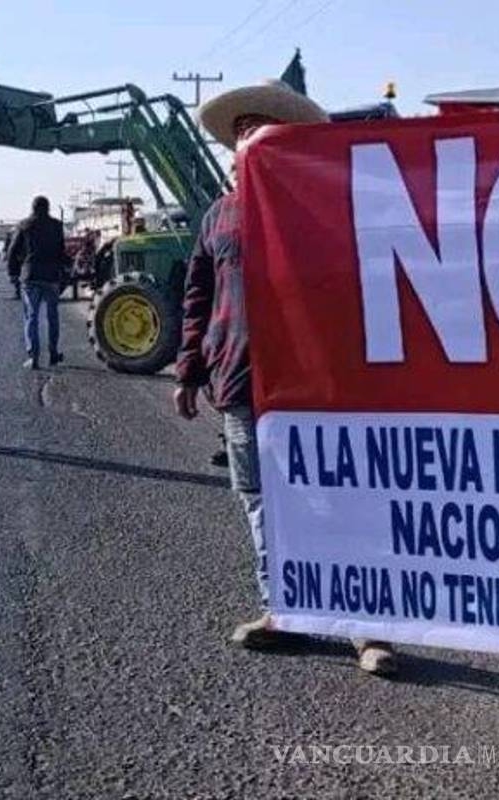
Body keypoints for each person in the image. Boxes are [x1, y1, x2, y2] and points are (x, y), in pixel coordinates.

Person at [176, 80, 397, 676]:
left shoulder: (325, 206)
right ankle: (286, 611)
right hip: (242, 381)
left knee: (339, 499)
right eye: (240, 133)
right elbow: (199, 294)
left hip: (318, 387)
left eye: (261, 129)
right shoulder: (218, 214)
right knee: (260, 502)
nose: (247, 140)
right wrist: (190, 367)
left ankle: (366, 629)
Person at [7, 196, 68, 369]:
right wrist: (67, 267)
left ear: (32, 208)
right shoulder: (56, 226)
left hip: (31, 276)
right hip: (51, 276)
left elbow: (12, 251)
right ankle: (53, 354)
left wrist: (13, 273)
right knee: (52, 316)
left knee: (31, 316)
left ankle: (33, 357)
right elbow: (61, 252)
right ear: (48, 208)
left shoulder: (24, 225)